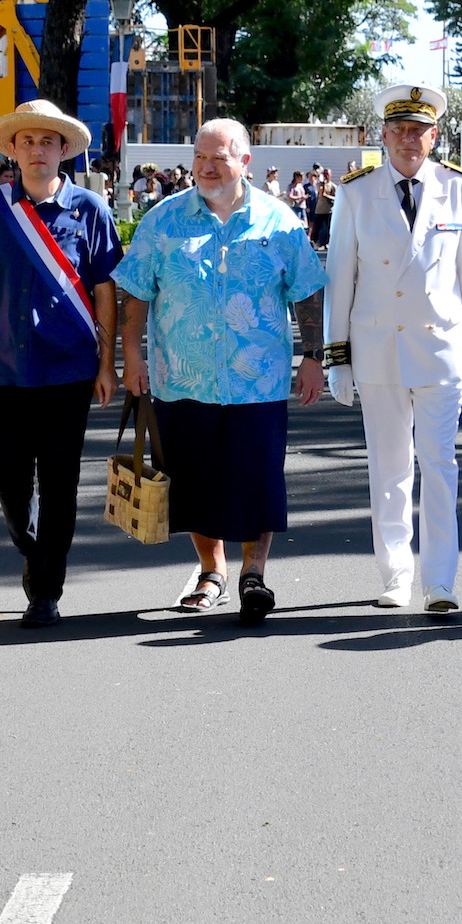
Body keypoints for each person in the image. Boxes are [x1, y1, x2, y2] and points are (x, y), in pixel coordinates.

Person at [116, 119, 326, 626]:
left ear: (245, 163)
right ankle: (212, 570)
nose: (207, 168)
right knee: (194, 482)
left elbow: (307, 293)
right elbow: (136, 293)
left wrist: (314, 357)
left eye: (220, 158)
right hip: (181, 378)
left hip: (259, 381)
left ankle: (254, 572)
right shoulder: (162, 221)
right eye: (200, 157)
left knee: (256, 479)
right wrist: (133, 357)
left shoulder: (281, 222)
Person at [322, 86, 462, 611]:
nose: (408, 140)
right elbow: (340, 277)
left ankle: (440, 579)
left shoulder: (457, 188)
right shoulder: (356, 192)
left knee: (441, 465)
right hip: (378, 349)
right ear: (383, 135)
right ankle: (396, 574)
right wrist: (337, 354)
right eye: (398, 130)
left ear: (434, 136)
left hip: (441, 345)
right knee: (389, 468)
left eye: (418, 131)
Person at [0, 100, 123, 628]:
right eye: (27, 141)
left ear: (63, 151)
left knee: (59, 481)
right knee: (8, 480)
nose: (36, 150)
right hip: (5, 367)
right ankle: (33, 551)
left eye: (46, 142)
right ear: (13, 150)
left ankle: (46, 588)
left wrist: (107, 362)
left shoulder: (90, 210)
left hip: (68, 369)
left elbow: (104, 292)